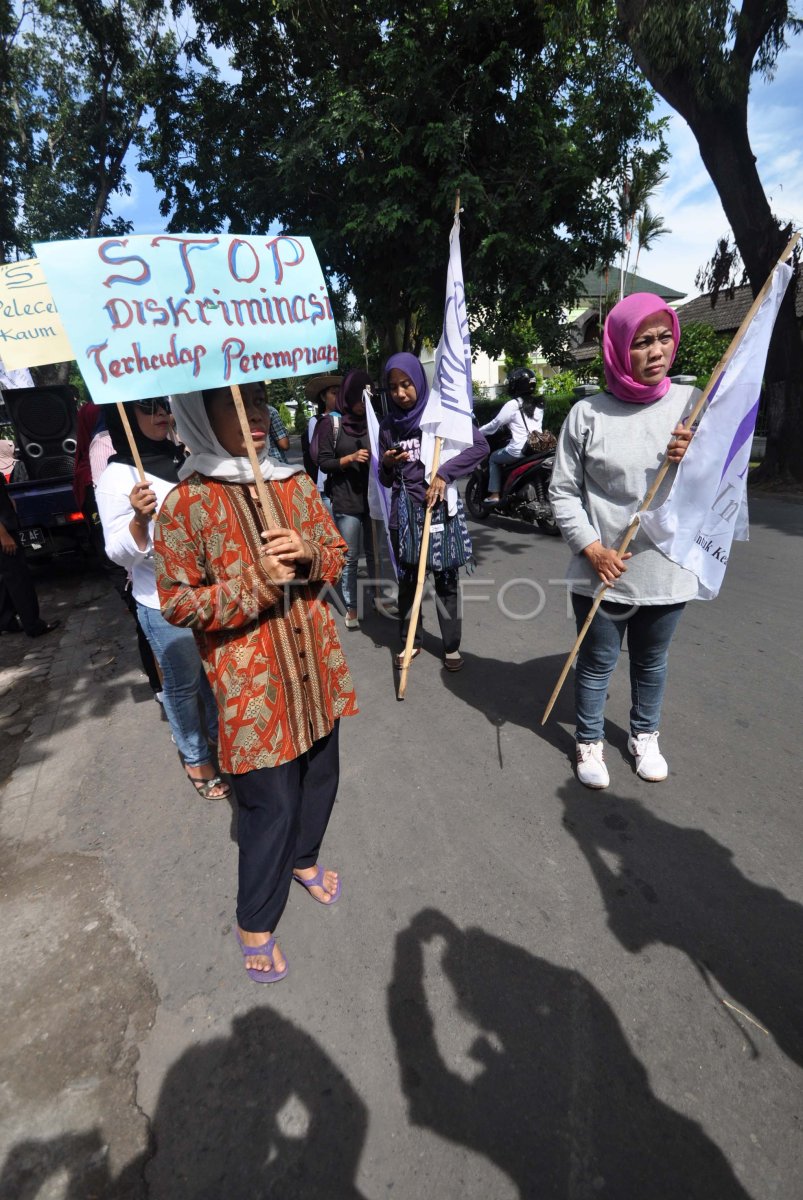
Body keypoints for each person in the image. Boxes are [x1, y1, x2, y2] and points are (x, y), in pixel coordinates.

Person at [153, 386, 357, 982]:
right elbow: (178, 603)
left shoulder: (293, 484)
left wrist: (310, 553)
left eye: (261, 400)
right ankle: (255, 919)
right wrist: (257, 583)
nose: (257, 414)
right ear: (199, 415)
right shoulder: (185, 505)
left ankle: (306, 857)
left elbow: (338, 553)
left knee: (322, 774)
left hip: (314, 665)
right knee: (271, 803)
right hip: (252, 682)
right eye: (232, 405)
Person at [549, 293, 696, 790]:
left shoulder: (692, 406)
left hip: (667, 566)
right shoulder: (586, 415)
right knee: (595, 663)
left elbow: (722, 482)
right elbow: (563, 493)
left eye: (664, 338)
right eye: (642, 342)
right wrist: (592, 549)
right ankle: (588, 740)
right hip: (602, 572)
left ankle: (644, 734)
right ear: (617, 348)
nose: (657, 351)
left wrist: (697, 456)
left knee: (652, 662)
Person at [95, 398, 230, 801]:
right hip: (162, 601)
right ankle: (195, 757)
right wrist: (139, 519)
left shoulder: (190, 458)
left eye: (162, 408)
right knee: (183, 684)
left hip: (208, 595)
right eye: (145, 409)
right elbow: (116, 553)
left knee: (214, 676)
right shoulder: (117, 478)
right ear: (126, 419)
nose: (159, 416)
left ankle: (217, 739)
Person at [378, 353, 488, 672]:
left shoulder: (441, 415)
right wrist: (386, 463)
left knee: (446, 582)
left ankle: (451, 646)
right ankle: (411, 640)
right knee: (409, 583)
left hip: (438, 512)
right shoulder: (388, 426)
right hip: (404, 514)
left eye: (406, 384)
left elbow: (479, 446)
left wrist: (444, 473)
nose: (400, 393)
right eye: (394, 387)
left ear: (418, 381)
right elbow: (385, 479)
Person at [315, 368, 377, 630]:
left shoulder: (373, 420)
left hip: (372, 500)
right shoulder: (332, 423)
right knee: (351, 556)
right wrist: (349, 459)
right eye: (359, 398)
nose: (363, 405)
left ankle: (377, 598)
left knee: (375, 554)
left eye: (367, 398)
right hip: (346, 500)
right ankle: (352, 607)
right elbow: (323, 461)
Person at [0, 472, 60, 637]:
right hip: (4, 532)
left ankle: (6, 621)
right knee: (18, 579)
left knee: (6, 578)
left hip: (6, 525)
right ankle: (33, 625)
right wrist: (3, 534)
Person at [479, 367, 545, 504]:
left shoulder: (514, 404)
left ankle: (495, 494)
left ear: (516, 385)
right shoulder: (539, 404)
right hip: (537, 447)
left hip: (518, 449)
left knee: (493, 458)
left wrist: (478, 432)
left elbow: (495, 423)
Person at [301, 373, 342, 483]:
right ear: (323, 397)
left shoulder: (348, 418)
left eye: (341, 393)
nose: (338, 397)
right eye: (334, 393)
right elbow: (317, 452)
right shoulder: (316, 421)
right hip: (326, 479)